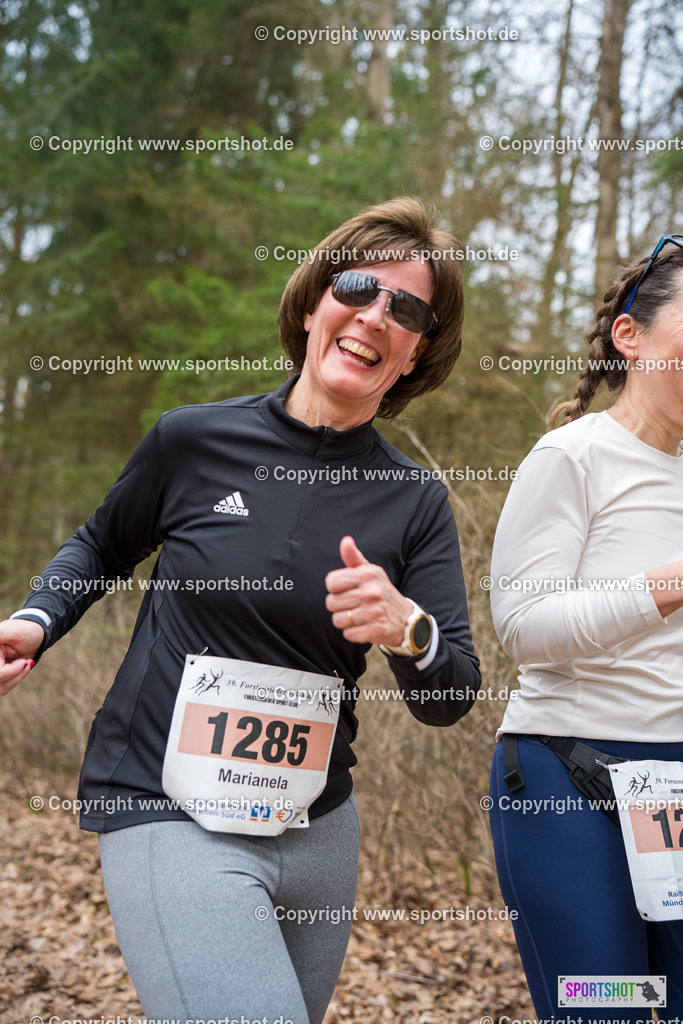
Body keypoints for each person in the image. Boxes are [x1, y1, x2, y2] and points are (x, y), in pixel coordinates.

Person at [0, 197, 481, 1024]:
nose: (375, 314)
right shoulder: (192, 440)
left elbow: (451, 694)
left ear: (415, 355)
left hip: (319, 829)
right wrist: (38, 620)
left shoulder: (414, 501)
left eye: (405, 308)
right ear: (310, 305)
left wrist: (408, 628)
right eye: (357, 286)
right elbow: (99, 547)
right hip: (167, 803)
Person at [488, 235, 683, 1023]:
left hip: (675, 789)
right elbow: (523, 626)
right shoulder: (571, 456)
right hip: (568, 778)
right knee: (605, 1008)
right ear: (628, 336)